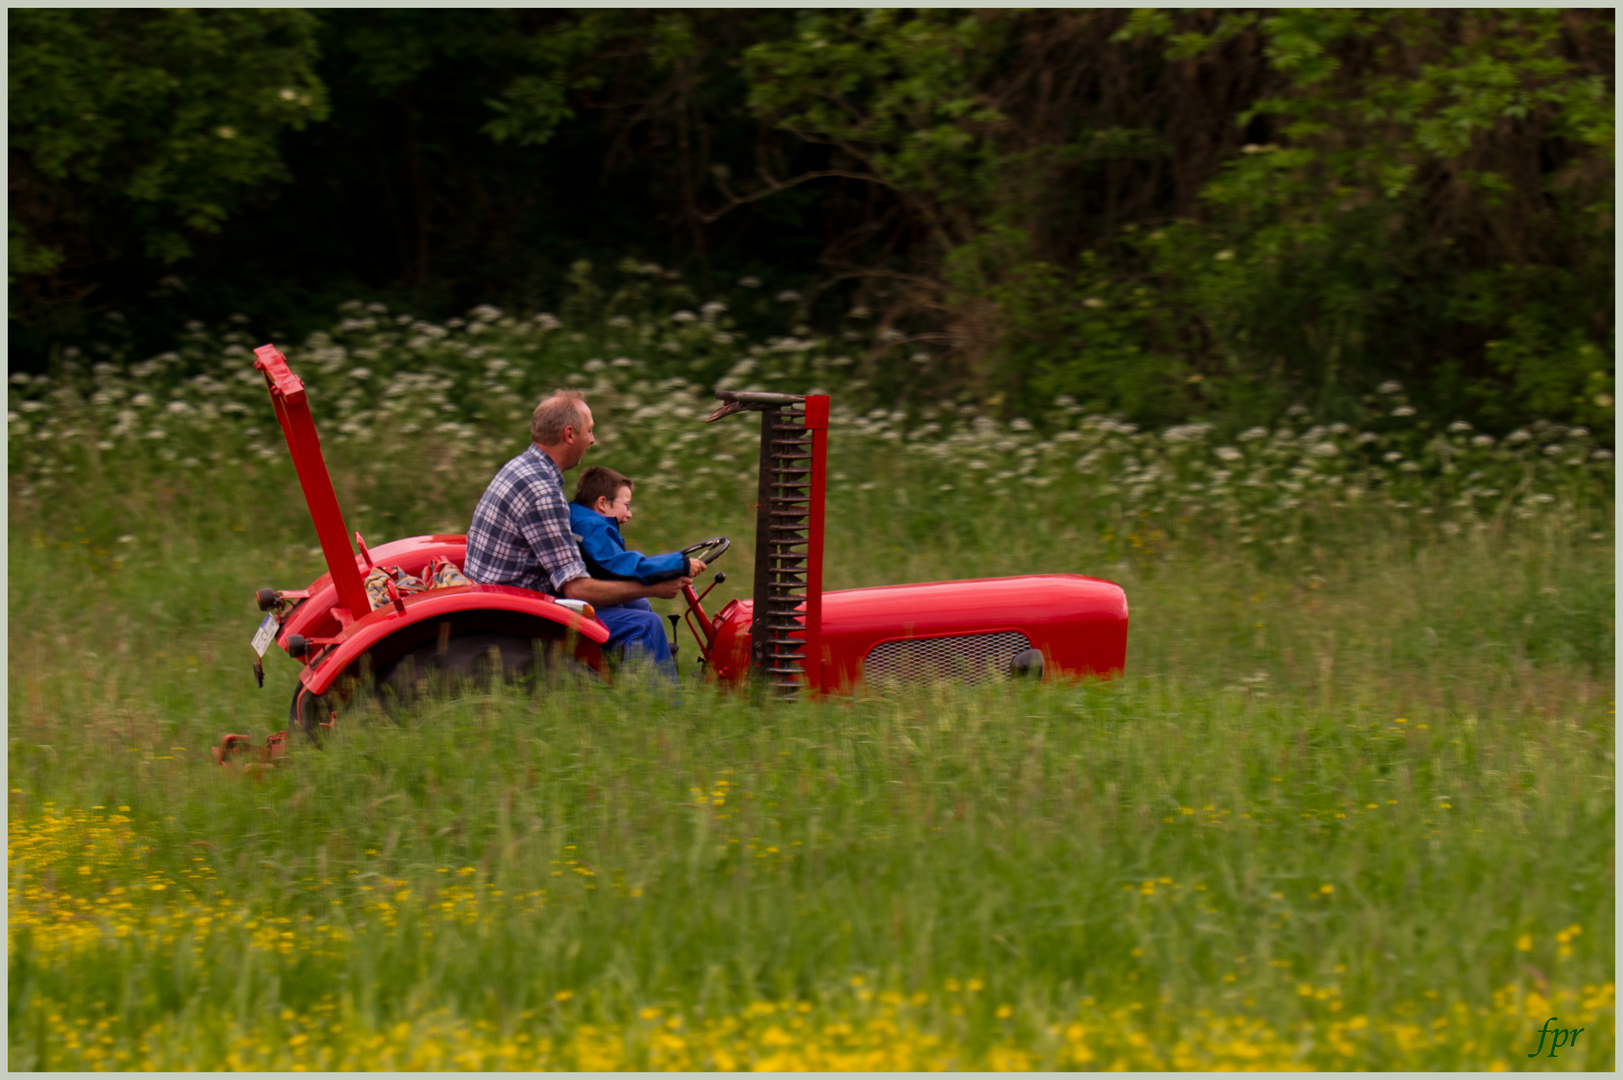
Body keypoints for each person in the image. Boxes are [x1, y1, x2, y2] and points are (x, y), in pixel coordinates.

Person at [464, 390, 688, 672]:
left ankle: (622, 683)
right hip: (518, 612)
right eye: (590, 431)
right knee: (647, 624)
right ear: (569, 434)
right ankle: (661, 709)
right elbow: (576, 587)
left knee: (636, 603)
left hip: (500, 594)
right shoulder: (542, 492)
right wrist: (655, 586)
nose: (592, 440)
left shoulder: (520, 466)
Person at [568, 466, 706, 601]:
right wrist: (680, 563)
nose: (629, 514)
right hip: (588, 602)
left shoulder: (579, 519)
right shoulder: (591, 528)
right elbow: (621, 566)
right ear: (602, 503)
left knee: (639, 602)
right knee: (648, 621)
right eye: (626, 506)